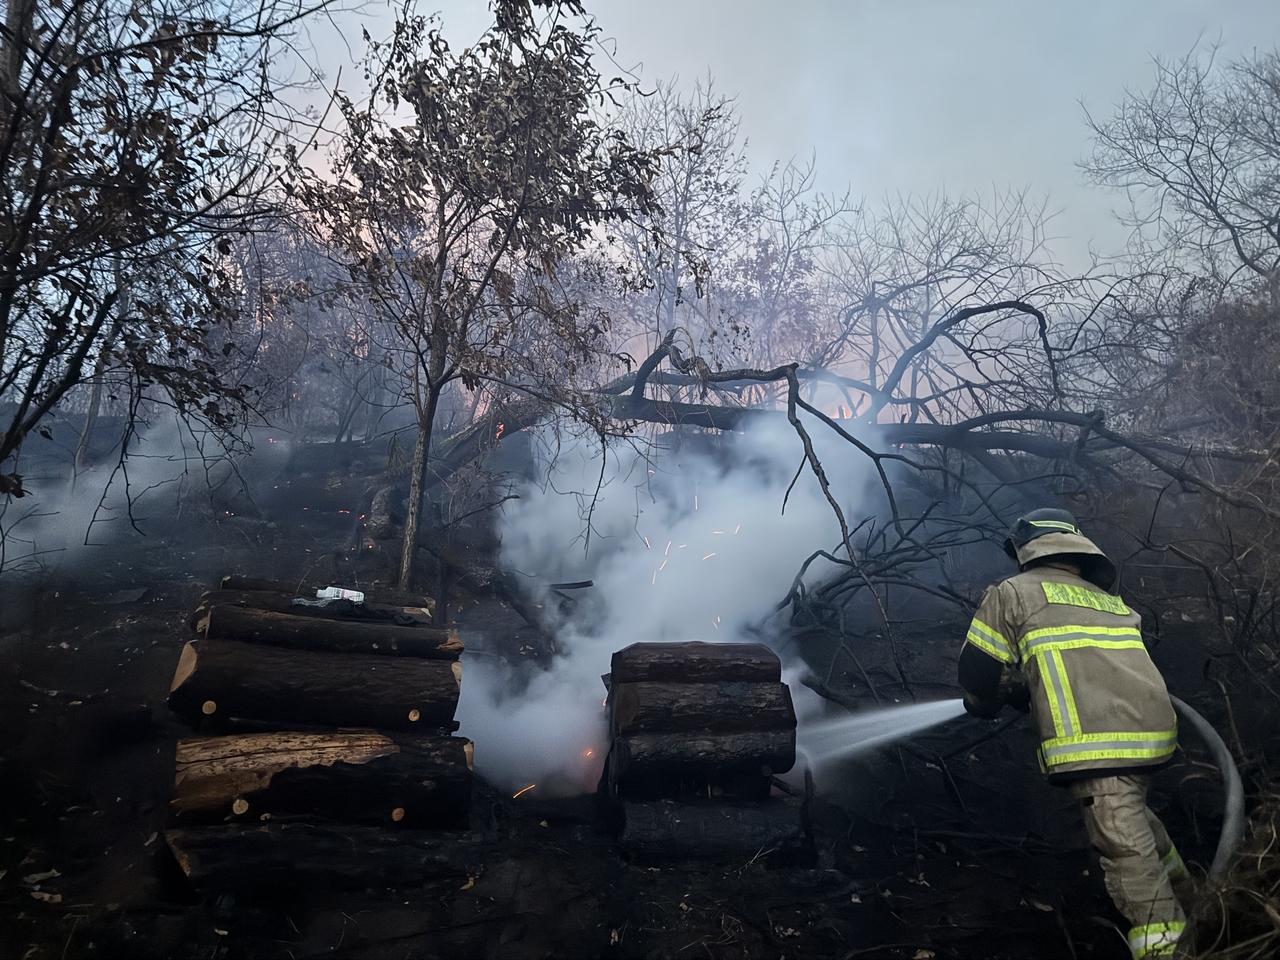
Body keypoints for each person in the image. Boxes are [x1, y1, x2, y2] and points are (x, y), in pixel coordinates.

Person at [958, 508, 1192, 960]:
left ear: (1026, 549)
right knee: (1146, 834)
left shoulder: (1014, 592)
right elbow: (1086, 669)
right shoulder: (1107, 600)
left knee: (1127, 855)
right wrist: (1028, 688)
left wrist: (984, 703)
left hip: (1098, 748)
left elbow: (978, 668)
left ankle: (1173, 949)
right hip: (1149, 738)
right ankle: (1208, 905)